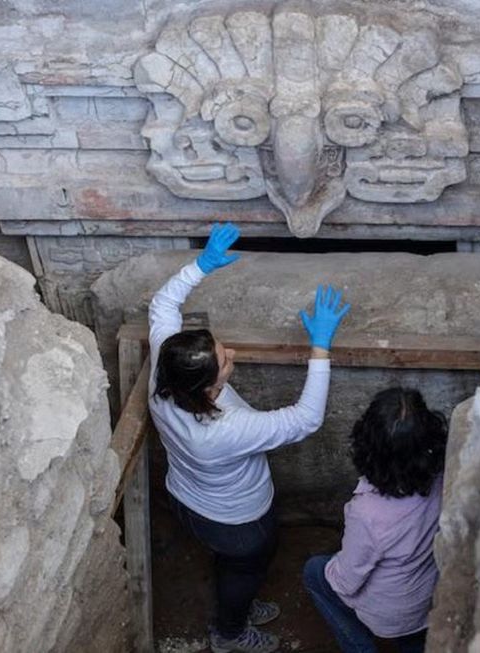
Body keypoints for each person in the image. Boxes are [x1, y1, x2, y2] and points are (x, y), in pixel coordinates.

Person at [148, 222, 351, 653]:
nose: (232, 355)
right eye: (224, 361)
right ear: (209, 388)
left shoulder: (164, 372)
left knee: (235, 566)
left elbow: (164, 303)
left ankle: (236, 599)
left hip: (185, 497)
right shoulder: (224, 430)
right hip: (237, 520)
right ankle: (230, 631)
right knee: (248, 564)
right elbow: (305, 419)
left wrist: (201, 266)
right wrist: (320, 348)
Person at [303, 387, 448, 653]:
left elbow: (345, 582)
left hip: (389, 614)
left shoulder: (367, 512)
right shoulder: (443, 473)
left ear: (369, 445)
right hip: (427, 599)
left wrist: (336, 562)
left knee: (314, 571)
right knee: (415, 641)